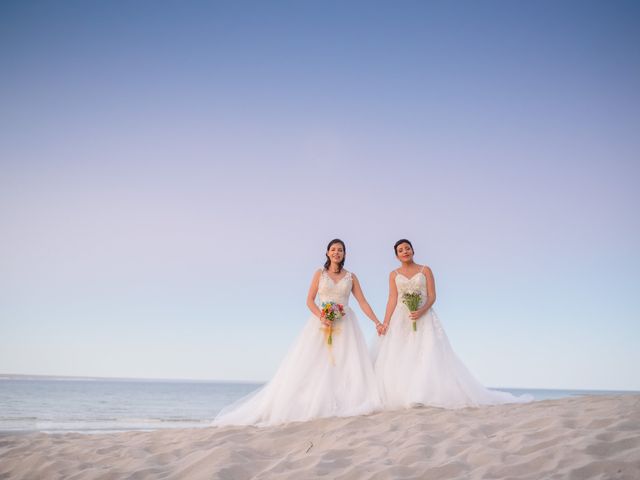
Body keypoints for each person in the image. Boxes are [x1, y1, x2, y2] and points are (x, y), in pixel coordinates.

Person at [213, 239, 383, 426]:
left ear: (344, 254)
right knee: (315, 364)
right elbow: (310, 300)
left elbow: (362, 302)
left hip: (346, 324)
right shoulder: (320, 273)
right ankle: (314, 404)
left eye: (340, 250)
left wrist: (376, 322)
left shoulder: (351, 277)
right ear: (327, 253)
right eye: (333, 249)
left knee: (345, 363)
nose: (336, 253)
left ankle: (342, 404)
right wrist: (322, 316)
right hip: (321, 323)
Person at [373, 238, 532, 409]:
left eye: (407, 248)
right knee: (402, 354)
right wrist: (386, 322)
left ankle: (421, 394)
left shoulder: (425, 270)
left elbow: (432, 296)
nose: (405, 251)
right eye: (401, 250)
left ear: (413, 250)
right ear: (397, 256)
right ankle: (404, 394)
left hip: (424, 315)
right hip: (402, 318)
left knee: (427, 352)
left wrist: (421, 311)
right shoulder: (394, 274)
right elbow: (392, 299)